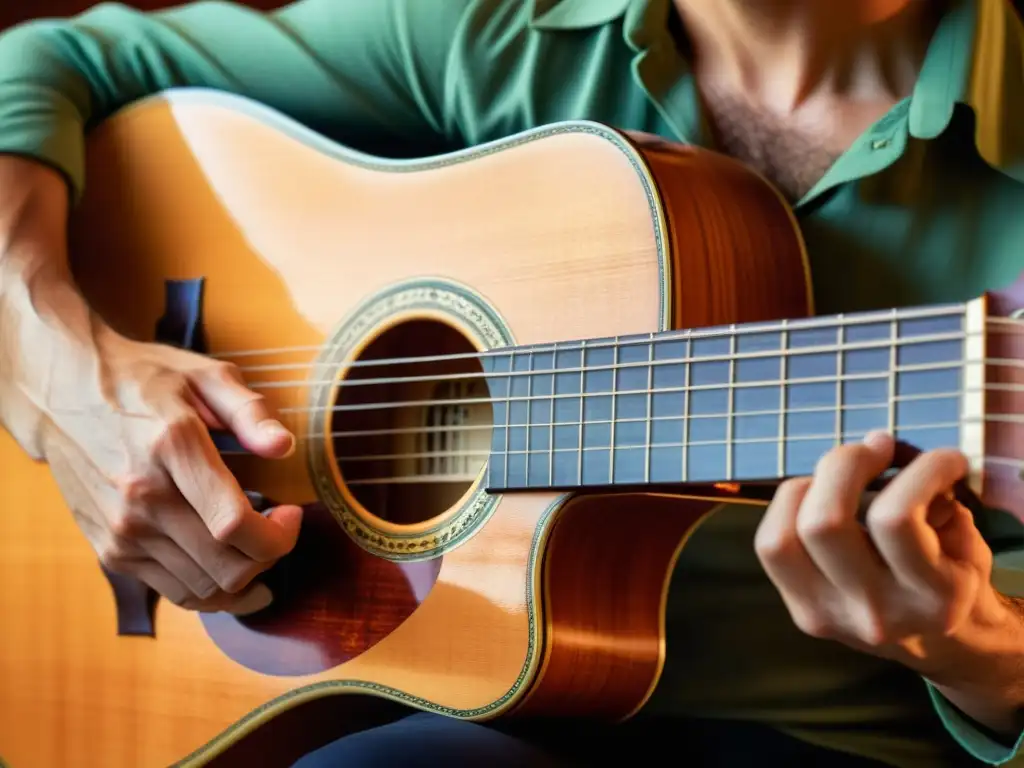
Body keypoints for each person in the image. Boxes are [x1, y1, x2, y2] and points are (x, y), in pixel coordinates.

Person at [0, 0, 1021, 764]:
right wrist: (65, 382)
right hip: (470, 716)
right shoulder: (509, 28)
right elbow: (49, 62)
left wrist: (979, 650)